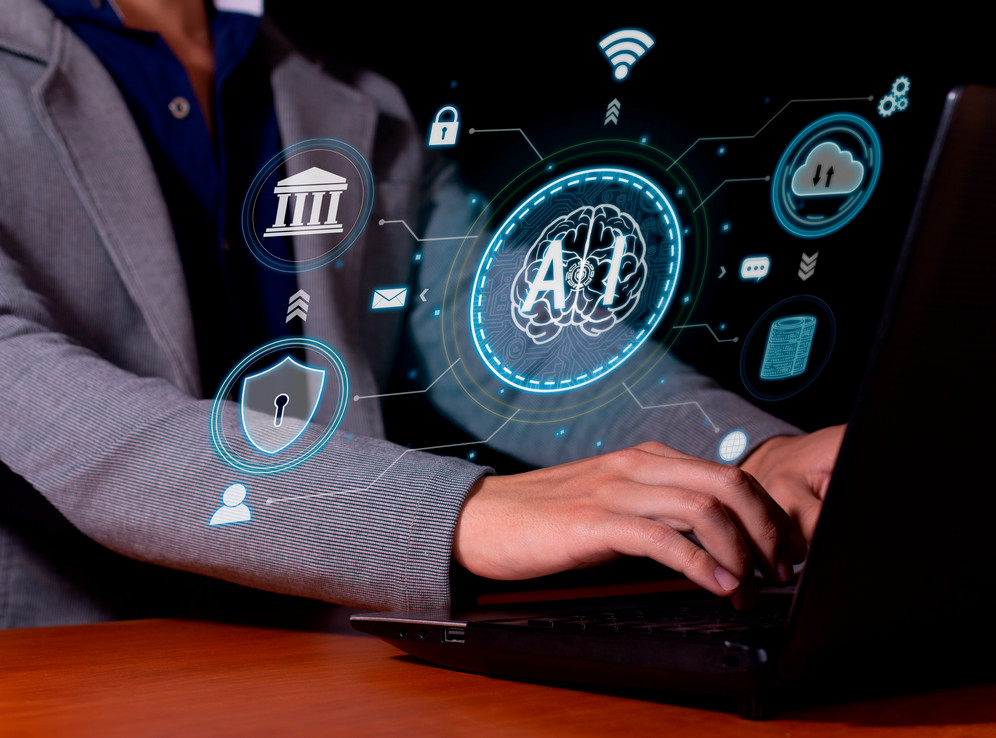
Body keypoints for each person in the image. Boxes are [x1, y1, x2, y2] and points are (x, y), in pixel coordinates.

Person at [0, 0, 844, 628]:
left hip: (327, 657)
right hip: (65, 669)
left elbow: (495, 325)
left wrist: (748, 455)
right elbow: (32, 395)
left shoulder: (338, 92)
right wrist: (454, 512)